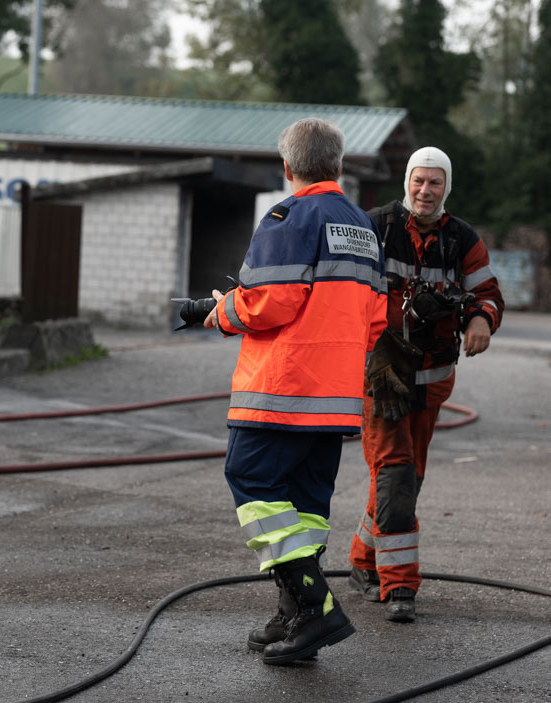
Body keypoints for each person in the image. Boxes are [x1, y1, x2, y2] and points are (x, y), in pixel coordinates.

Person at [203, 117, 387, 664]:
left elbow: (269, 301)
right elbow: (376, 317)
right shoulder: (361, 225)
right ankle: (295, 615)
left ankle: (315, 607)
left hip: (282, 392)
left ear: (288, 168)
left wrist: (221, 311)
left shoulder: (290, 216)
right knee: (305, 503)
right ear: (339, 165)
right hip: (335, 398)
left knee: (252, 480)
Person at [347, 146, 504, 624]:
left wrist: (480, 319)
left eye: (435, 182)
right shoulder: (375, 227)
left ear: (446, 187)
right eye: (419, 180)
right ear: (407, 182)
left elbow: (487, 293)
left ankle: (362, 560)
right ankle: (399, 584)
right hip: (381, 375)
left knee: (405, 477)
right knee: (395, 471)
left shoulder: (462, 239)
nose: (425, 190)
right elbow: (345, 287)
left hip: (433, 380)